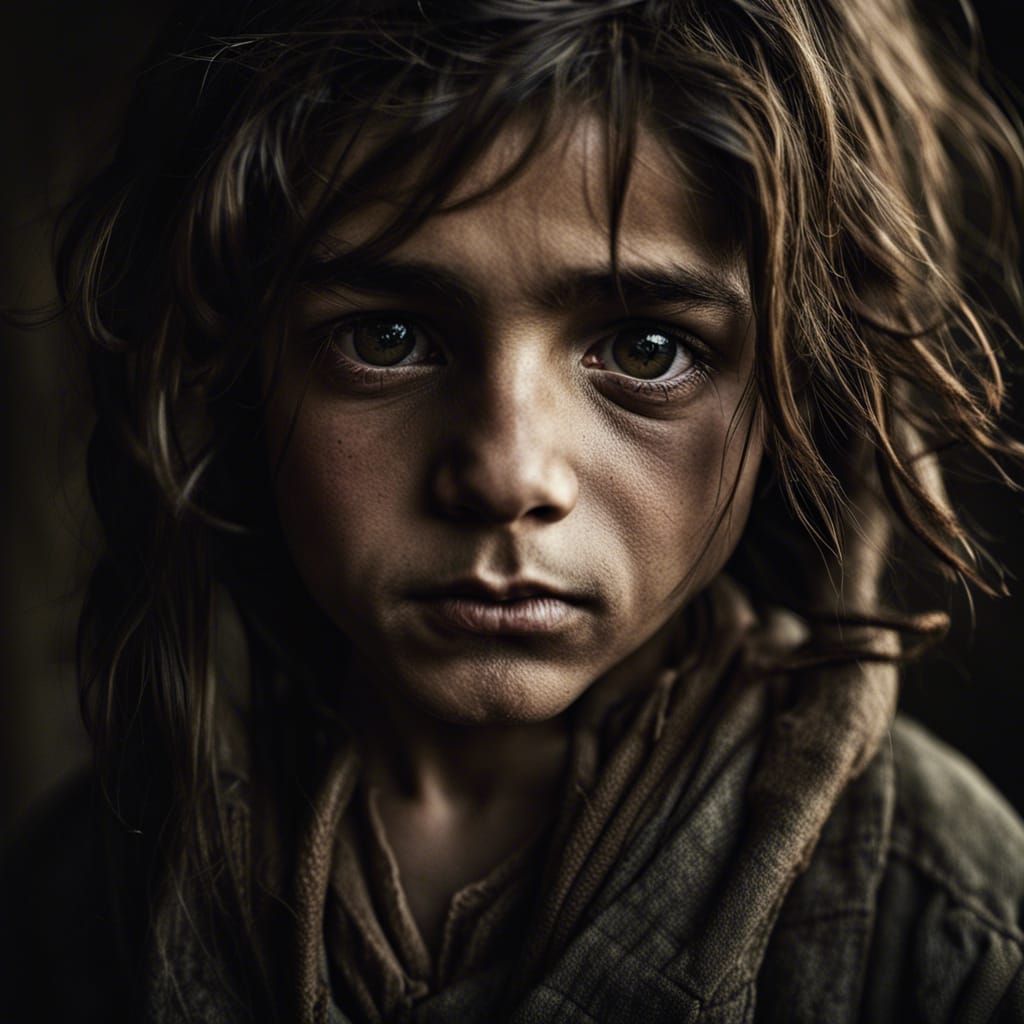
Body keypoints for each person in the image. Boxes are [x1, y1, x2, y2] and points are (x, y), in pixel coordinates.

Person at [4, 0, 1024, 1020]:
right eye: (389, 337)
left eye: (645, 350)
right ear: (238, 368)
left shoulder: (948, 925)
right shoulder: (77, 906)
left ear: (792, 377)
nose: (505, 473)